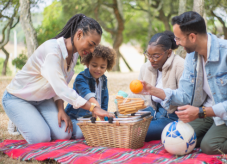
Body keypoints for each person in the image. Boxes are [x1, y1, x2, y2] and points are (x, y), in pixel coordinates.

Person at [140, 11, 227, 154]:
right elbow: (185, 95)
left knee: (209, 146)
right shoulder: (192, 57)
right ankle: (214, 133)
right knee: (174, 139)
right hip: (207, 113)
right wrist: (152, 90)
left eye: (178, 39)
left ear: (192, 37)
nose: (177, 43)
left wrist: (200, 112)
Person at [1, 14, 114, 144]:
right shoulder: (52, 51)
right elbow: (62, 90)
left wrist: (61, 109)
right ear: (79, 34)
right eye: (91, 44)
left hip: (43, 99)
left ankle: (34, 118)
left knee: (64, 134)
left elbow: (60, 84)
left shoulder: (74, 55)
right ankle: (19, 120)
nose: (93, 50)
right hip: (19, 98)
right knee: (41, 138)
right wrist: (93, 108)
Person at [139, 31, 185, 142]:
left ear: (168, 53)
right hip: (152, 111)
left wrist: (153, 90)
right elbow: (140, 95)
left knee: (138, 132)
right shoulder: (146, 67)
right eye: (148, 55)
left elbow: (186, 98)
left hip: (172, 116)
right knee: (125, 124)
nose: (150, 60)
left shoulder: (180, 66)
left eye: (155, 56)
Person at [65, 45, 116, 138]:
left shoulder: (103, 79)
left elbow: (105, 100)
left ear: (107, 67)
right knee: (82, 133)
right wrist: (98, 108)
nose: (98, 69)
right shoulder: (81, 78)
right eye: (94, 65)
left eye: (102, 67)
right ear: (87, 63)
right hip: (76, 118)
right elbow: (87, 95)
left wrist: (104, 117)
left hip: (92, 119)